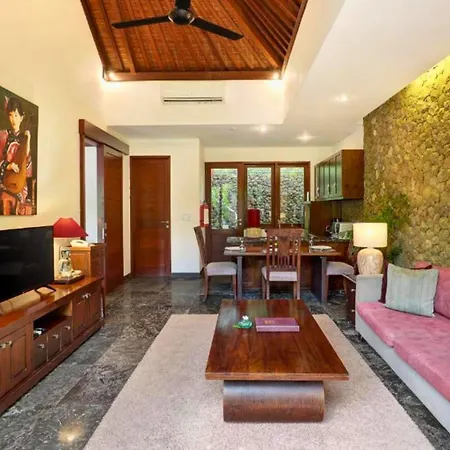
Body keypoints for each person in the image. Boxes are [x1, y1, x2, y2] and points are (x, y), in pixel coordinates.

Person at [0, 97, 32, 215]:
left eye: (16, 115)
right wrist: (8, 166)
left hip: (19, 184)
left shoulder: (24, 139)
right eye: (11, 115)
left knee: (20, 198)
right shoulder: (2, 136)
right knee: (4, 197)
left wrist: (28, 141)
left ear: (22, 117)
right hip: (3, 180)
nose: (13, 119)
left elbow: (27, 166)